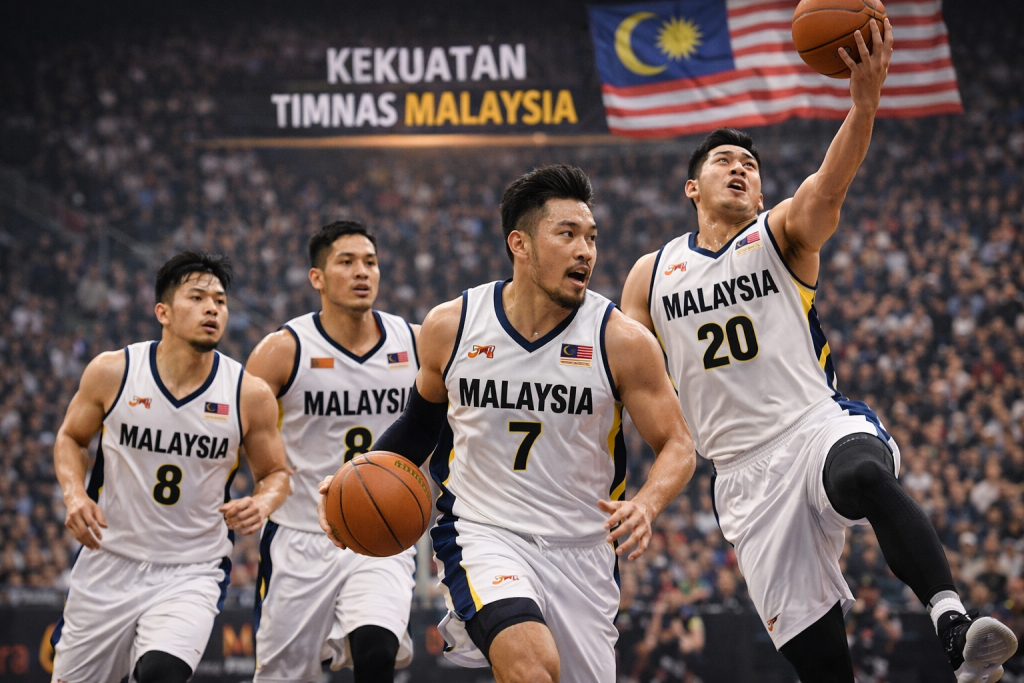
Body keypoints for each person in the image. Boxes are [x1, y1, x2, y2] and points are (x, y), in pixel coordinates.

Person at [621, 19, 1017, 683]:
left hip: (812, 425)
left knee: (863, 473)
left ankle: (953, 624)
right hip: (741, 472)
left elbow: (828, 185)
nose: (740, 168)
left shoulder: (780, 232)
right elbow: (622, 367)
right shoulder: (650, 273)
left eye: (749, 164)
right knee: (825, 668)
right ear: (693, 188)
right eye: (724, 161)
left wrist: (863, 107)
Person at [318, 164, 696, 682]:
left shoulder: (621, 340)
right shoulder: (452, 326)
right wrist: (351, 477)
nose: (585, 251)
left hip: (582, 550)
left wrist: (646, 504)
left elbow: (678, 443)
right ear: (520, 243)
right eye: (567, 234)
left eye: (591, 237)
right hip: (483, 533)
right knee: (531, 667)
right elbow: (420, 426)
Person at [51, 251, 291, 683]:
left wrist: (262, 503)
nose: (212, 309)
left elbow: (276, 473)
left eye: (219, 301)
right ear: (162, 312)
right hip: (109, 559)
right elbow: (71, 438)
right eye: (197, 298)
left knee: (162, 672)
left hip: (192, 569)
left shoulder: (247, 393)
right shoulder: (113, 371)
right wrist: (74, 494)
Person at [246, 221, 420, 682]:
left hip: (381, 532)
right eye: (347, 262)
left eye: (370, 262)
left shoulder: (415, 343)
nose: (362, 272)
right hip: (301, 534)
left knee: (377, 652)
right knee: (283, 676)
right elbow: (237, 430)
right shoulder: (282, 350)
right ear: (317, 278)